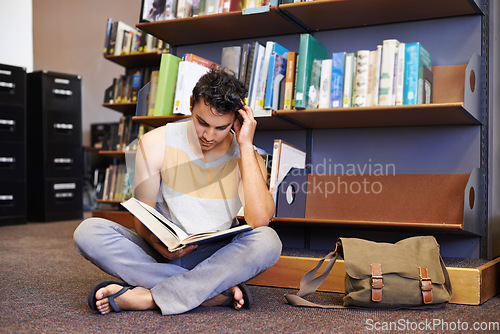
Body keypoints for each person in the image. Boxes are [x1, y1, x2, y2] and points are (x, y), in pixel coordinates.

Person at [74, 69, 282, 315]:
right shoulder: (155, 143)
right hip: (162, 253)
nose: (208, 135)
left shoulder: (247, 153)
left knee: (269, 241)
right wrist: (155, 240)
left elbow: (259, 221)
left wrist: (245, 144)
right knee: (88, 232)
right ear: (191, 105)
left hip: (214, 257)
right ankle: (211, 292)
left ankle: (150, 297)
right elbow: (143, 218)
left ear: (237, 120)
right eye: (202, 122)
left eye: (221, 127)